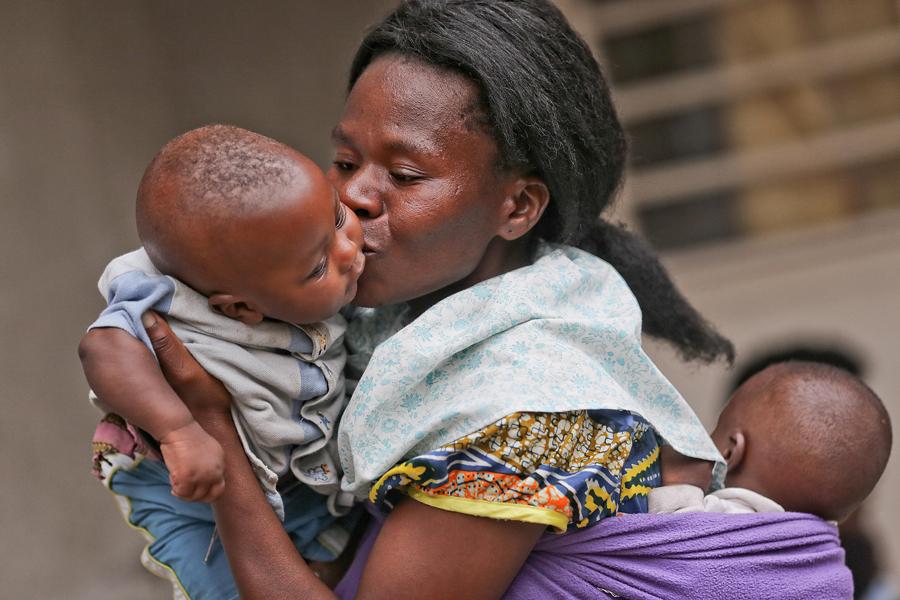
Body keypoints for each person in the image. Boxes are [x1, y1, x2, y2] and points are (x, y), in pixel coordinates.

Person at [87, 1, 849, 598]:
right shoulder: (383, 321)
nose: (353, 196)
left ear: (517, 207)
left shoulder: (528, 423)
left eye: (405, 176)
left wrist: (216, 430)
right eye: (345, 159)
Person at [79, 124, 365, 598]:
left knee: (330, 573)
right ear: (239, 309)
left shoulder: (299, 262)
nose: (350, 250)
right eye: (318, 267)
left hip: (297, 483)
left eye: (337, 219)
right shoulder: (165, 294)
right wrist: (180, 431)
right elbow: (102, 347)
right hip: (191, 502)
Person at [652, 361, 892, 521]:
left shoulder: (718, 520)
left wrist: (679, 487)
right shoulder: (824, 556)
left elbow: (662, 544)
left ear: (730, 452)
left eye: (716, 429)